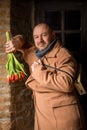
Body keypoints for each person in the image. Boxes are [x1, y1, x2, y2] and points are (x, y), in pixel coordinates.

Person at [5, 23, 86, 130]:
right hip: (42, 115)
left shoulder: (64, 55)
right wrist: (17, 41)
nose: (40, 40)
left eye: (44, 35)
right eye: (36, 37)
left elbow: (67, 84)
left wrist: (39, 72)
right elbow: (23, 43)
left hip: (63, 117)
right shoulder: (35, 53)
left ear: (53, 35)